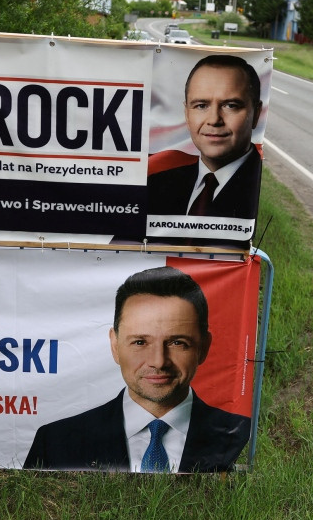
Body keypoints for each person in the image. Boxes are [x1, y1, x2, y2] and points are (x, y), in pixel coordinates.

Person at [23, 266, 251, 472]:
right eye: (140, 342)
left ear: (203, 348)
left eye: (177, 342)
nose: (159, 362)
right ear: (115, 346)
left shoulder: (242, 437)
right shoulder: (55, 441)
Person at [147, 54, 263, 223]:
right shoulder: (157, 185)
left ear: (256, 114)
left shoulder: (261, 190)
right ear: (187, 114)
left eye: (230, 106)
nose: (214, 120)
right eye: (201, 106)